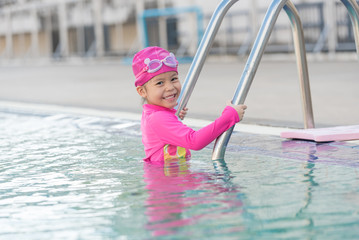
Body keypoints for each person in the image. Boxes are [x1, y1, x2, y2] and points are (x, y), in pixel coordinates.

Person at [132, 46, 247, 162]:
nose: (170, 87)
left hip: (167, 176)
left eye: (173, 79)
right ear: (142, 91)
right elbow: (194, 141)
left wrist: (172, 116)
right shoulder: (158, 118)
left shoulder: (153, 114)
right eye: (160, 83)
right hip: (168, 179)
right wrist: (229, 116)